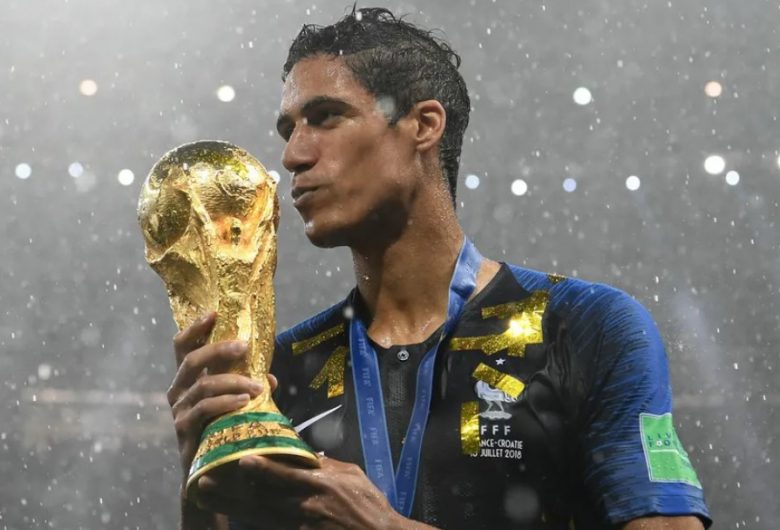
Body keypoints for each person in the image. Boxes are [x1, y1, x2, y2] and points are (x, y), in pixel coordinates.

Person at [165, 7, 712, 530]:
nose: (293, 155)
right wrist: (201, 475)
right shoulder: (279, 370)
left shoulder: (585, 327)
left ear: (423, 125)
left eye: (325, 117)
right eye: (289, 130)